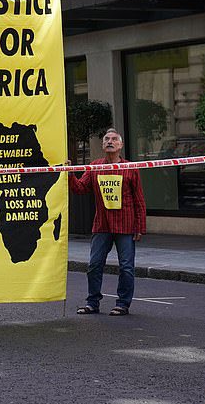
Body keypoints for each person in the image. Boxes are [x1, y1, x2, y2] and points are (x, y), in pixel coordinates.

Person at [67, 128, 147, 316]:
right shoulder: (95, 166)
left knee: (126, 267)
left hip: (126, 225)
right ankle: (92, 302)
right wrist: (70, 174)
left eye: (113, 139)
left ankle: (123, 304)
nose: (110, 141)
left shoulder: (130, 168)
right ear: (103, 145)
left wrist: (140, 227)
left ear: (120, 145)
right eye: (106, 139)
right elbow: (79, 189)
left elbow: (139, 199)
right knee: (94, 265)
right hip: (102, 225)